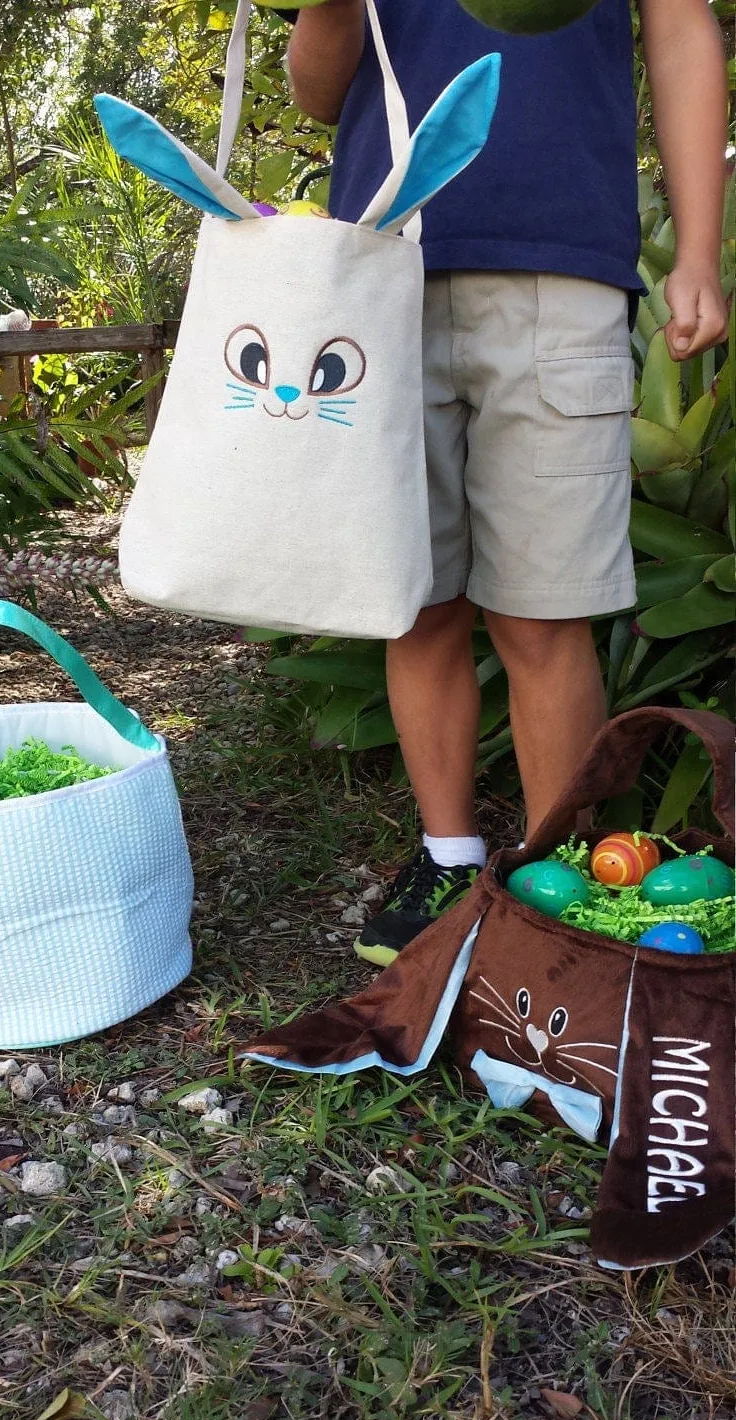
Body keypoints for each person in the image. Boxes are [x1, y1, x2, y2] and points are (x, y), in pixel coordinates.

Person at [286, 0, 729, 967]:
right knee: (418, 601)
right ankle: (449, 854)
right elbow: (318, 91)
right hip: (382, 270)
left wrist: (698, 251)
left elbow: (681, 25)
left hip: (559, 266)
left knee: (544, 611)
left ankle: (557, 870)